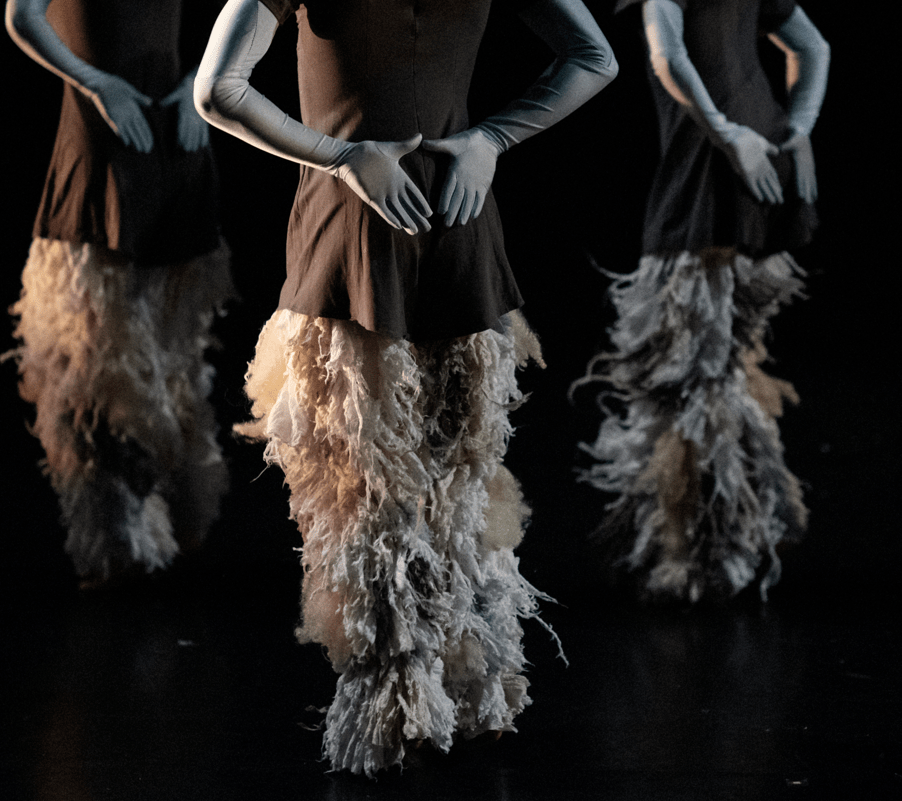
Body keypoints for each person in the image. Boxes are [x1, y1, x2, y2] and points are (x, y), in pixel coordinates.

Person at [195, 0, 615, 775]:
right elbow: (595, 57)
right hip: (427, 212)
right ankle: (428, 698)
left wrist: (343, 154)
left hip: (380, 215)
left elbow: (219, 89)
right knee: (419, 478)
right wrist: (482, 140)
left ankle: (418, 703)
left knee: (398, 483)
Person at [574, 0, 828, 602]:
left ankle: (704, 554)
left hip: (721, 161)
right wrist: (794, 127)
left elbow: (669, 56)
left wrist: (740, 132)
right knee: (710, 369)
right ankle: (723, 538)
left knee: (693, 371)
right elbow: (813, 49)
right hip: (750, 149)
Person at [4, 0, 236, 588]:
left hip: (172, 133)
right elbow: (22, 15)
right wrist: (97, 84)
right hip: (102, 131)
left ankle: (177, 519)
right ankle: (119, 539)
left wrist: (198, 89)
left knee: (175, 352)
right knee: (97, 356)